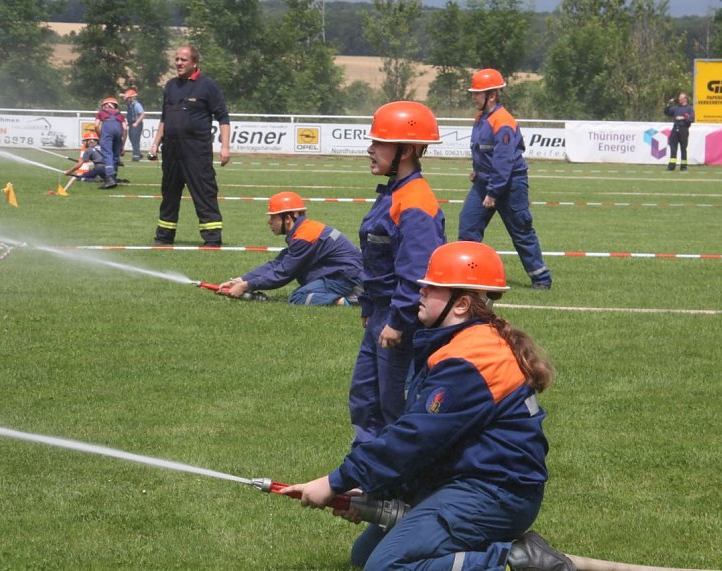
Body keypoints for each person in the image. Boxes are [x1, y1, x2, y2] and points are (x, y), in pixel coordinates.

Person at [282, 241, 565, 571]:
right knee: (364, 556)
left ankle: (511, 561)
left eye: (432, 287)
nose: (420, 290)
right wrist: (372, 489)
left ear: (460, 305)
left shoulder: (470, 361)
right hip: (467, 482)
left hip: (495, 495)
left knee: (385, 567)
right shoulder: (463, 344)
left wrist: (335, 482)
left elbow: (413, 438)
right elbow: (433, 442)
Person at [350, 100, 446, 446]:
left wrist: (398, 320)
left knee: (397, 407)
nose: (370, 150)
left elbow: (418, 272)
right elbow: (378, 261)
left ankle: (399, 487)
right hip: (381, 312)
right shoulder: (395, 194)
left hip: (400, 320)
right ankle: (366, 475)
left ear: (405, 151)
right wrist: (368, 307)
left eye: (379, 143)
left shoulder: (416, 202)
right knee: (365, 400)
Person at [459, 68, 552, 290]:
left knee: (521, 231)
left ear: (491, 95)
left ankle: (541, 279)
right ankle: (468, 276)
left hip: (510, 185)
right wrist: (477, 170)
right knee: (467, 226)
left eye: (477, 93)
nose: (473, 97)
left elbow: (503, 162)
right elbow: (483, 150)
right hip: (485, 182)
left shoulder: (504, 121)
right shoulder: (481, 118)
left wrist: (493, 192)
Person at [217, 191, 363, 306]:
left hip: (347, 277)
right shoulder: (304, 231)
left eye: (273, 217)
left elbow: (283, 273)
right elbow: (277, 264)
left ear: (287, 219)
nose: (269, 221)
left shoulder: (304, 236)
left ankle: (353, 300)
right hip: (348, 273)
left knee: (298, 297)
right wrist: (240, 280)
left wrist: (245, 286)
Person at [149, 44, 231, 247]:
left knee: (204, 193)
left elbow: (223, 117)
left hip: (196, 150)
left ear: (194, 63)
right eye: (176, 59)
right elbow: (164, 118)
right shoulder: (170, 86)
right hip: (171, 150)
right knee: (169, 194)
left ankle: (212, 239)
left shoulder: (207, 86)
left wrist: (225, 147)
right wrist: (155, 143)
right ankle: (164, 237)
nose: (178, 63)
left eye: (183, 60)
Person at [94, 97, 128, 189]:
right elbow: (125, 129)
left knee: (108, 154)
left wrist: (101, 136)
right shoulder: (120, 115)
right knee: (115, 155)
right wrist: (122, 145)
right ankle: (114, 177)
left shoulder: (101, 113)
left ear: (105, 105)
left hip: (107, 130)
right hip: (118, 130)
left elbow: (96, 126)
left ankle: (109, 179)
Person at [664, 91, 695, 172]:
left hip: (683, 130)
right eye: (679, 98)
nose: (679, 99)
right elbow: (667, 112)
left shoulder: (690, 108)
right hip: (675, 129)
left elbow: (692, 119)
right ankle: (671, 167)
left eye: (681, 98)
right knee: (673, 148)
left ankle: (683, 167)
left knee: (683, 148)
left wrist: (683, 118)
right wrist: (668, 104)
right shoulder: (676, 108)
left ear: (685, 99)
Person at [121, 89, 145, 162]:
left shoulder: (137, 105)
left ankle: (136, 156)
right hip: (131, 124)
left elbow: (142, 114)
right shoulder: (130, 104)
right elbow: (122, 97)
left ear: (132, 98)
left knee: (135, 140)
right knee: (132, 139)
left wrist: (136, 123)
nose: (127, 99)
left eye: (128, 98)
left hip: (136, 124)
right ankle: (138, 153)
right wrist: (125, 95)